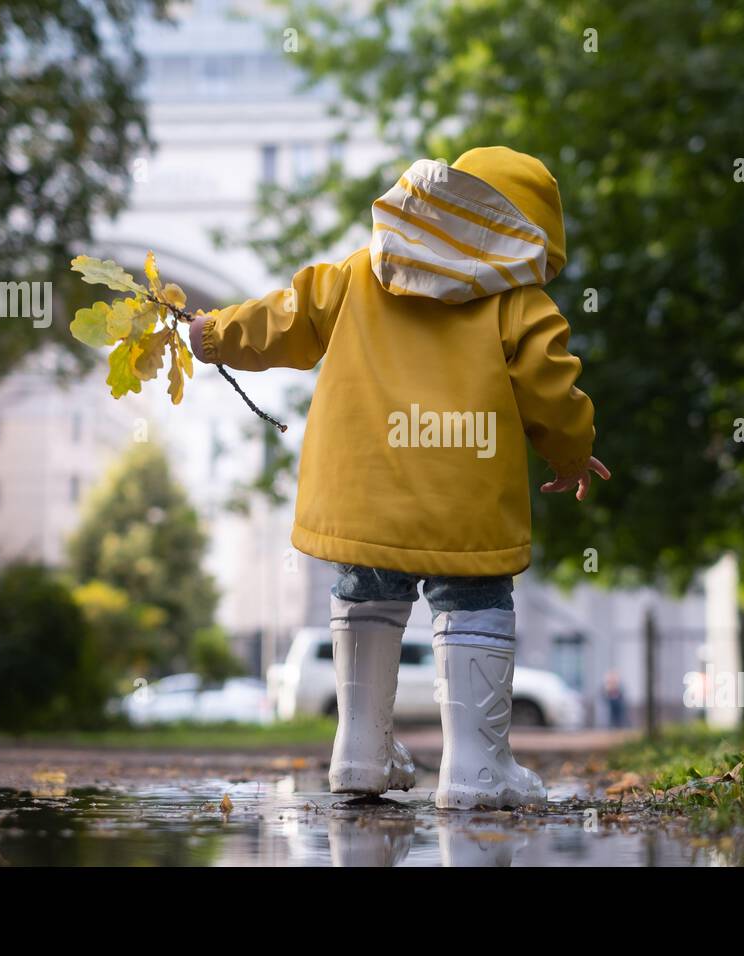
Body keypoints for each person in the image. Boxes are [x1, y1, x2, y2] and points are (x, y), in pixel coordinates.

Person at [190, 146, 607, 809]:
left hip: (363, 489)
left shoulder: (361, 272)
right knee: (472, 602)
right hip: (461, 493)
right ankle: (476, 769)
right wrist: (571, 453)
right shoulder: (518, 301)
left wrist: (215, 334)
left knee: (365, 596)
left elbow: (286, 318)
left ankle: (359, 753)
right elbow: (551, 389)